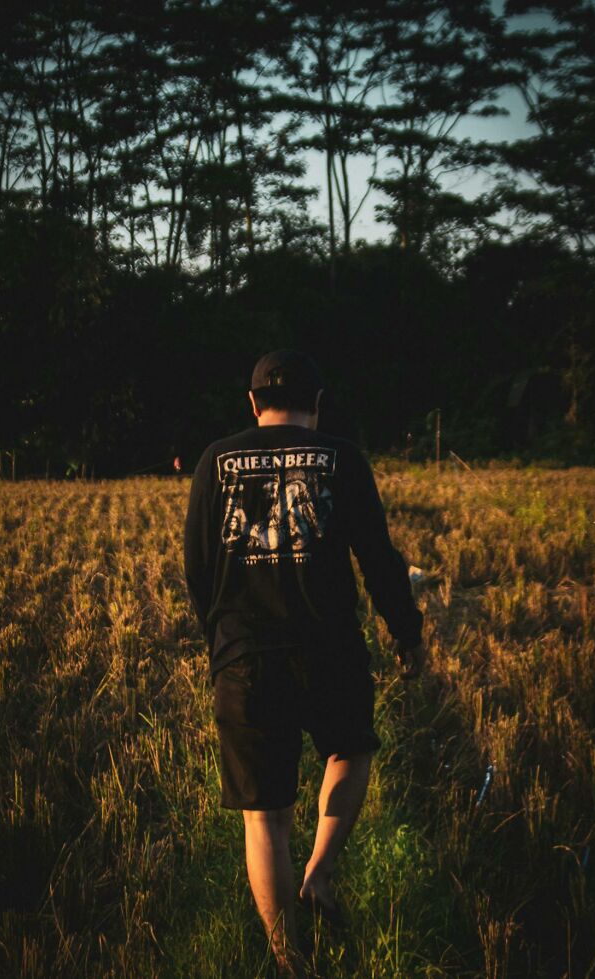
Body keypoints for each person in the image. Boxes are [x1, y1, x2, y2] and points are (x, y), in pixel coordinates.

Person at [183, 350, 425, 978]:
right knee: (350, 751)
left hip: (246, 657)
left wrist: (222, 643)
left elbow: (199, 564)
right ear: (318, 403)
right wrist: (407, 632)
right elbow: (378, 556)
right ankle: (318, 876)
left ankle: (292, 965)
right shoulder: (342, 457)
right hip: (331, 649)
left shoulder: (217, 459)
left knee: (265, 817)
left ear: (253, 402)